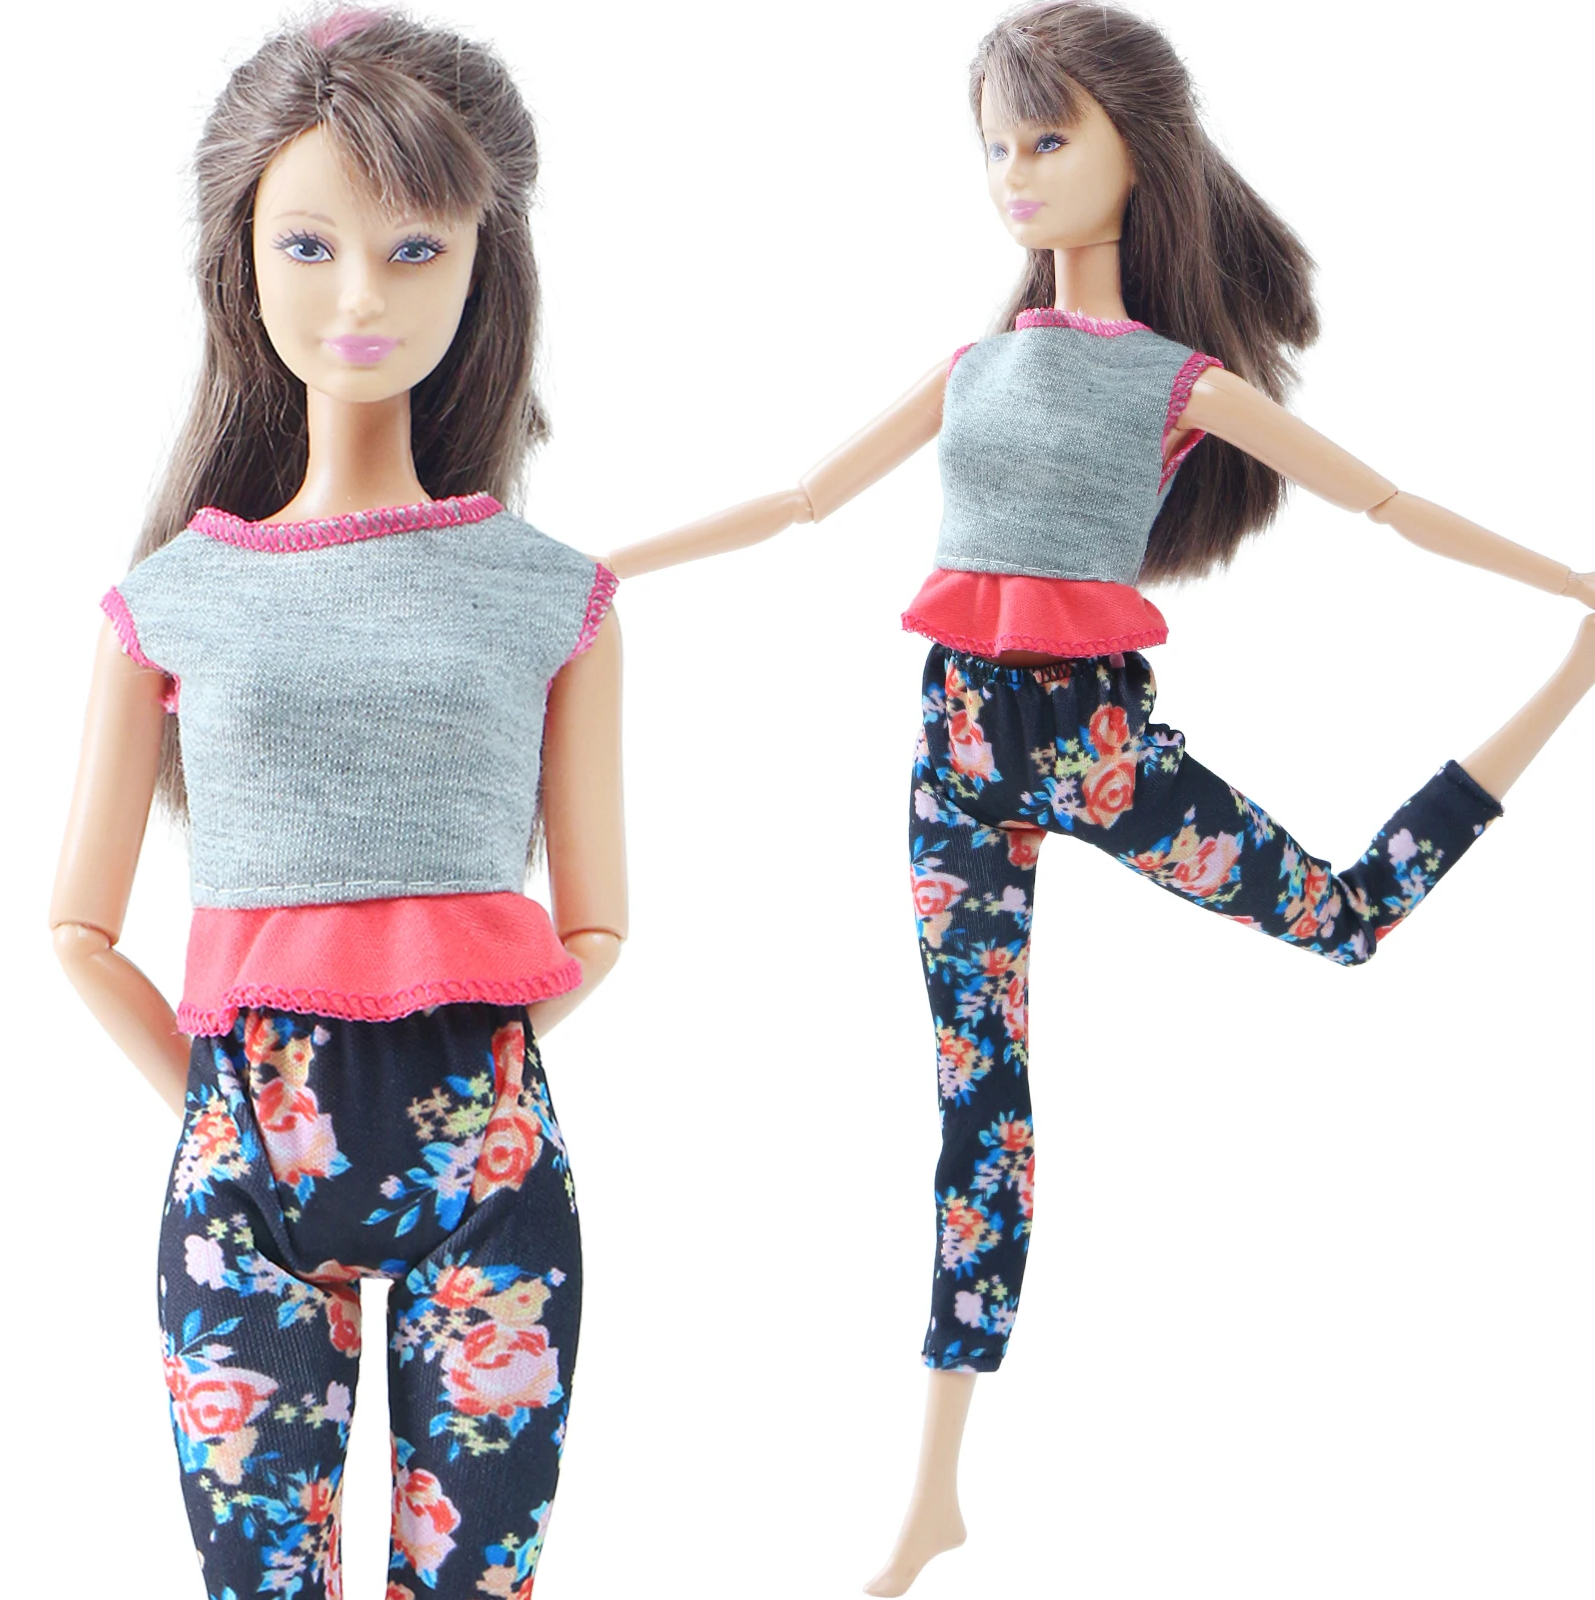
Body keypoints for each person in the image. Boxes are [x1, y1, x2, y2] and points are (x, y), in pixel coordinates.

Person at [602, 3, 1595, 1591]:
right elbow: (799, 501)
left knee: (1343, 920)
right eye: (996, 145)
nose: (1014, 172)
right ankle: (934, 1491)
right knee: (978, 1106)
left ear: (1139, 151)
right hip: (952, 754)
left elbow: (1391, 506)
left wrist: (1572, 591)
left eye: (1048, 138)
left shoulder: (1184, 383)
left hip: (1097, 748)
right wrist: (597, 566)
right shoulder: (975, 363)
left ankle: (1569, 687)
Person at [49, 11, 623, 1597]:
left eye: (414, 247)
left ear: (482, 266)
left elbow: (598, 926)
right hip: (243, 1159)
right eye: (311, 244)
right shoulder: (171, 601)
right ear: (243, 261)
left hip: (487, 1157)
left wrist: (459, 1064)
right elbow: (77, 930)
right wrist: (226, 1106)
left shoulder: (551, 596)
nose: (362, 296)